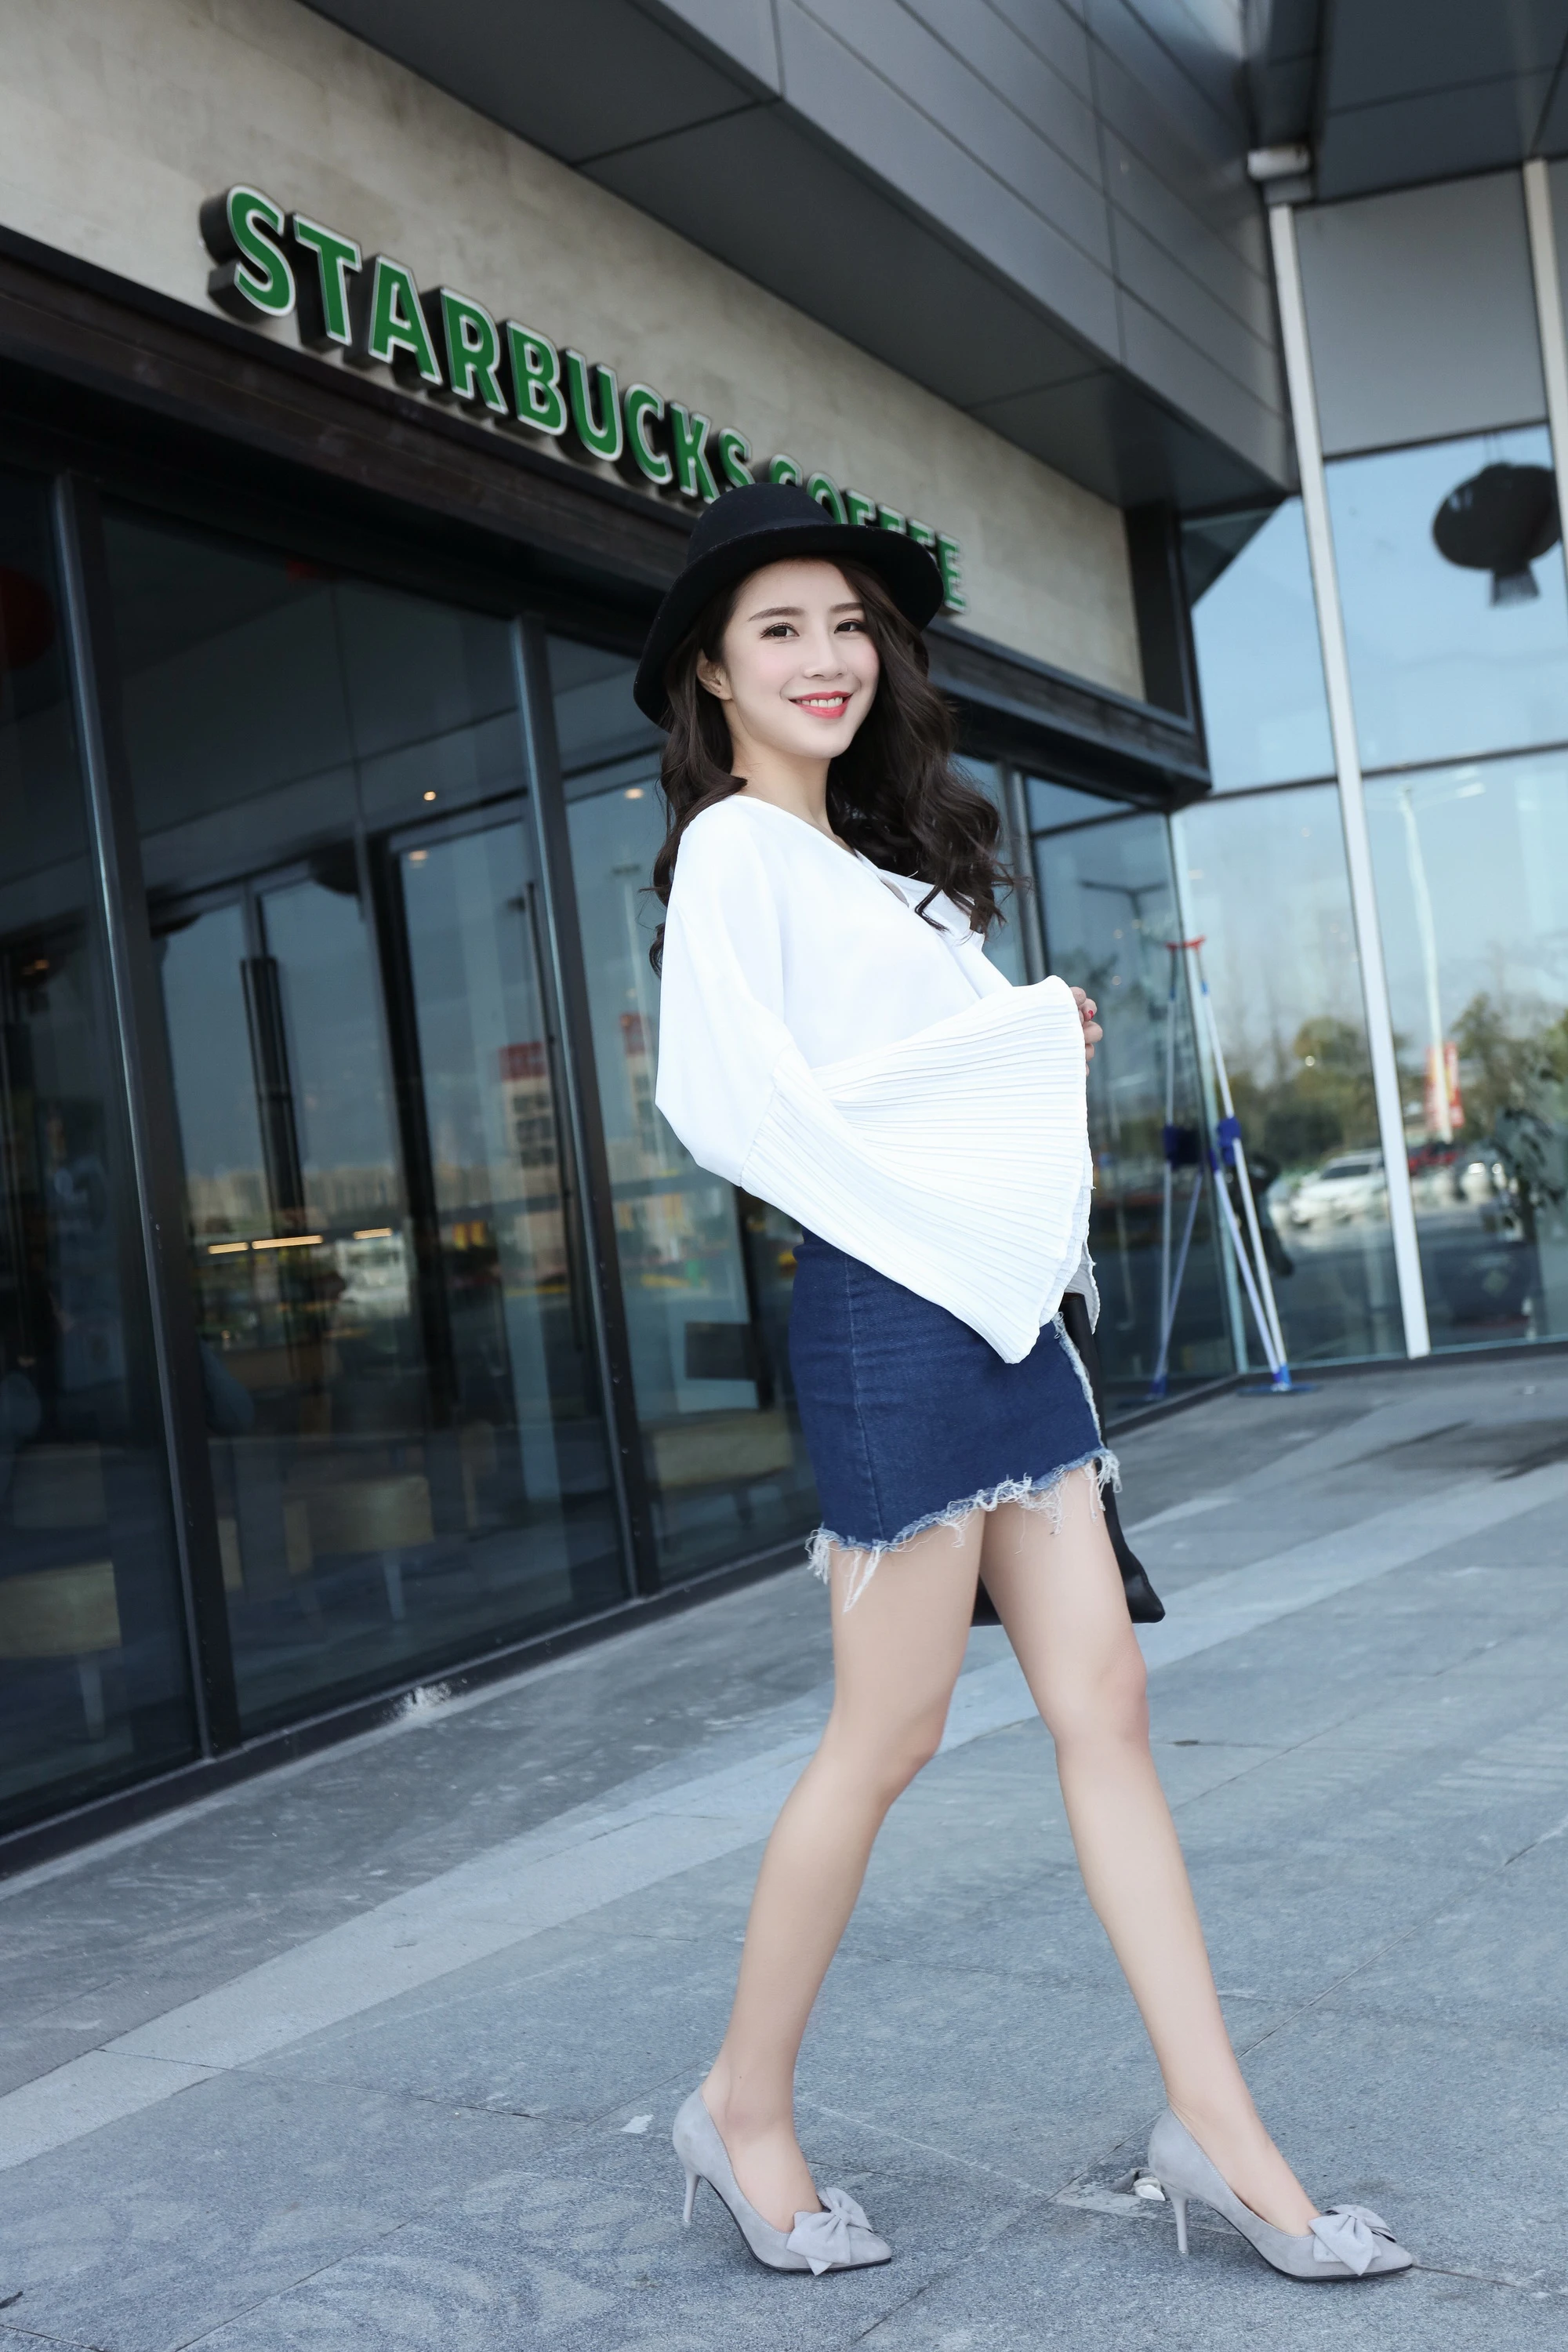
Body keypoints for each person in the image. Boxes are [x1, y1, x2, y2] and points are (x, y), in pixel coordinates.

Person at [639, 483, 1412, 2286]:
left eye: (848, 626)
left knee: (1106, 1703)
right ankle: (741, 2109)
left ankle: (1216, 2129)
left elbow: (938, 1089)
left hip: (1006, 1327)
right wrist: (996, 1050)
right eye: (779, 631)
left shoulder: (882, 874)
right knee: (888, 1733)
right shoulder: (738, 853)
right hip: (894, 1321)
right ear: (713, 674)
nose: (826, 658)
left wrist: (1015, 1033)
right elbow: (728, 1106)